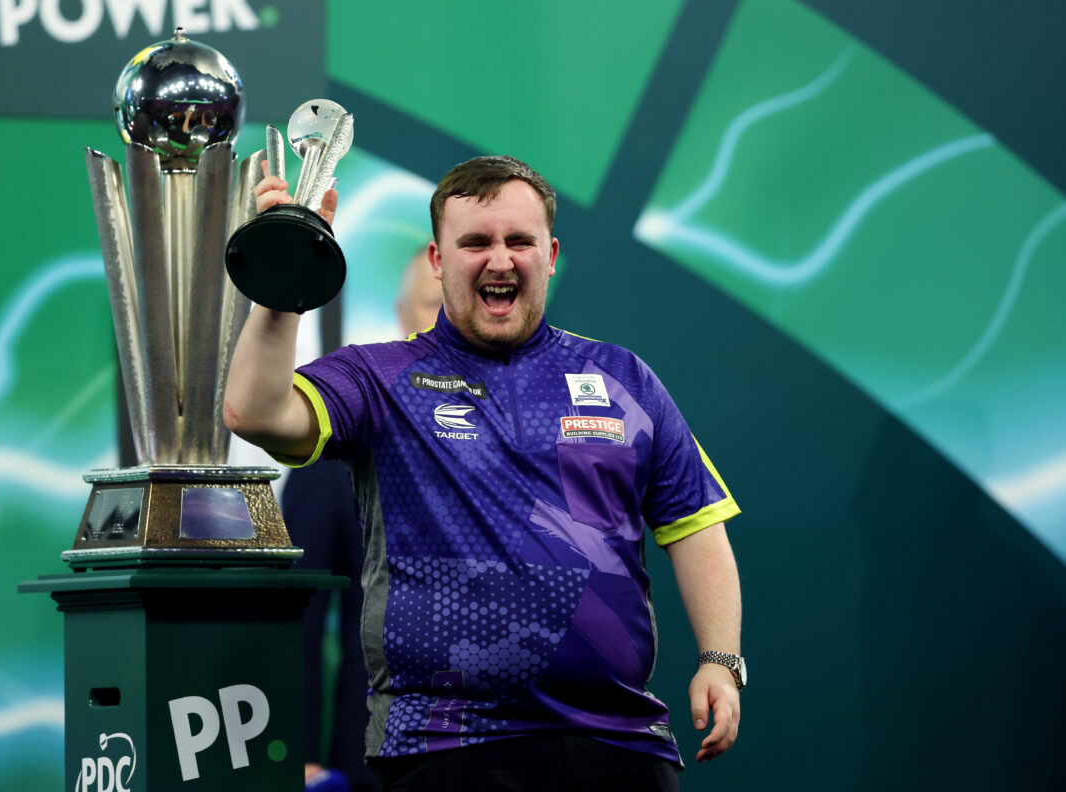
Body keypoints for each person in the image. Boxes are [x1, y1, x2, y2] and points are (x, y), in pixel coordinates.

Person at [225, 156, 744, 791]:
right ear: (438, 259)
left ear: (550, 254)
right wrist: (284, 274)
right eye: (475, 242)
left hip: (621, 745)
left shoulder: (624, 379)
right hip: (447, 747)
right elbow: (255, 411)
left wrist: (721, 658)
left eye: (518, 241)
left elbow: (694, 527)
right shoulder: (377, 377)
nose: (500, 260)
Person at [283, 250, 443, 792]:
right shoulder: (337, 449)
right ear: (402, 315)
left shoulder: (528, 438)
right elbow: (294, 618)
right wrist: (295, 754)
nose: (449, 320)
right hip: (376, 758)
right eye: (433, 304)